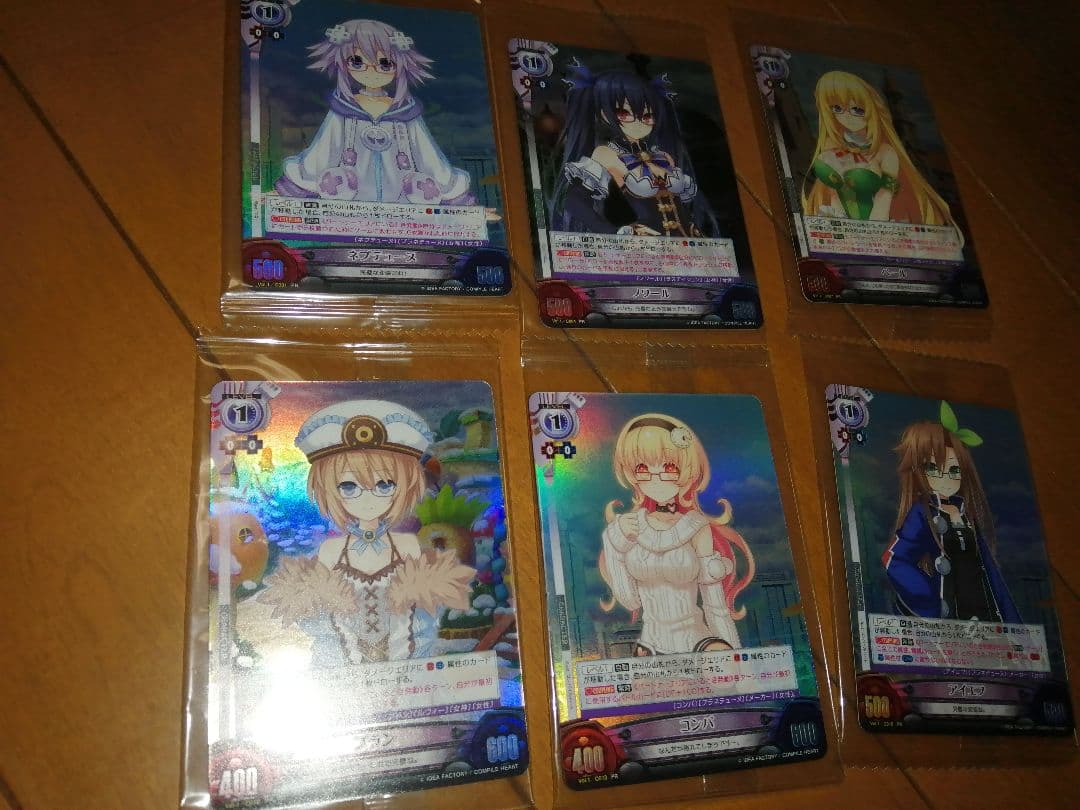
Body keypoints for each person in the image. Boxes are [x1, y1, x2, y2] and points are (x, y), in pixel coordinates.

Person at [258, 399, 474, 664]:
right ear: (328, 489)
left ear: (405, 486)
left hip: (407, 671)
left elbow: (427, 622)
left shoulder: (408, 546)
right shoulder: (330, 550)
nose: (368, 498)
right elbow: (320, 626)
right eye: (348, 486)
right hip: (344, 674)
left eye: (385, 485)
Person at [599, 414, 754, 655]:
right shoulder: (628, 528)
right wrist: (614, 546)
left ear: (687, 469)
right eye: (642, 468)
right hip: (650, 648)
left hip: (699, 643)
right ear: (630, 473)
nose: (656, 478)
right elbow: (630, 601)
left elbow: (715, 607)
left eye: (669, 468)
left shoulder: (695, 526)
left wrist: (735, 659)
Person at [273, 19, 474, 205]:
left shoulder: (406, 111)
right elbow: (324, 149)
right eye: (357, 62)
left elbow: (426, 153)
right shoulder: (344, 108)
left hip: (403, 202)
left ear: (399, 65)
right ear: (343, 63)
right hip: (349, 202)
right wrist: (300, 184)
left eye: (385, 64)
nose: (372, 71)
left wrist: (450, 191)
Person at [883, 402, 1019, 622]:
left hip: (985, 616)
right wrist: (933, 604)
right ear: (918, 470)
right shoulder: (923, 512)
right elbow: (894, 560)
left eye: (954, 470)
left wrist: (1015, 626)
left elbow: (991, 572)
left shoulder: (966, 515)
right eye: (933, 468)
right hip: (952, 619)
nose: (945, 479)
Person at [552, 62, 717, 238]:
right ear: (603, 114)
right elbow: (574, 201)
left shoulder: (663, 156)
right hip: (646, 247)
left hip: (691, 243)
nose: (638, 122)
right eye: (624, 113)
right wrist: (616, 232)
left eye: (647, 116)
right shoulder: (607, 154)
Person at [802, 70, 955, 227]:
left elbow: (884, 197)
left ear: (872, 109)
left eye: (857, 110)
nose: (847, 116)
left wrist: (872, 228)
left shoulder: (885, 152)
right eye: (837, 108)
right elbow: (833, 194)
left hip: (881, 221)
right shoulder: (831, 146)